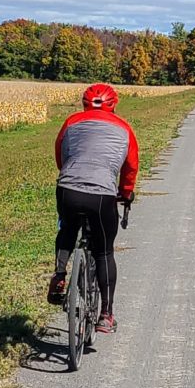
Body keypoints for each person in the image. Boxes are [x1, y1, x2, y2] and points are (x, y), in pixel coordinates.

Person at [49, 82, 138, 332]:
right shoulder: (124, 129)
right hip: (101, 196)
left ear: (84, 103)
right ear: (114, 104)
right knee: (104, 252)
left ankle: (59, 276)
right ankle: (106, 315)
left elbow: (61, 155)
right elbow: (130, 166)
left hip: (68, 188)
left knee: (67, 229)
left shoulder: (71, 122)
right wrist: (126, 192)